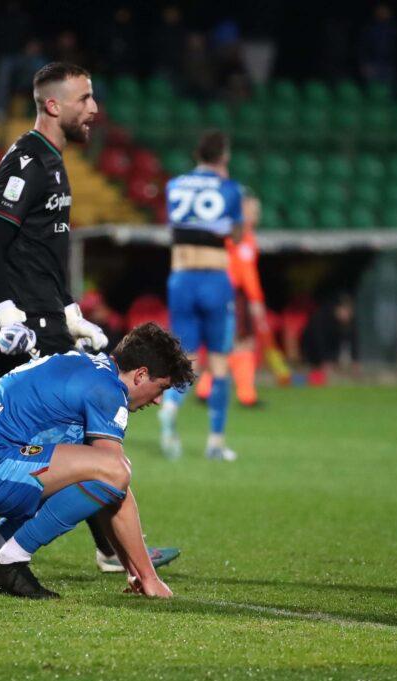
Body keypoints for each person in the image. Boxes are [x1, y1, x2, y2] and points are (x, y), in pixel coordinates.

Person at [0, 62, 179, 575]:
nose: (95, 109)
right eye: (85, 98)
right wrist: (9, 314)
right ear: (53, 105)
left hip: (44, 319)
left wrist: (72, 312)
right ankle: (112, 553)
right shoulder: (25, 163)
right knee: (59, 435)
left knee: (65, 433)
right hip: (17, 329)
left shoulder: (54, 163)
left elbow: (43, 254)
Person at [0, 323, 194, 598]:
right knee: (114, 470)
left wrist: (135, 570)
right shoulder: (107, 391)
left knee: (100, 472)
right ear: (141, 375)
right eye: (161, 388)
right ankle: (9, 562)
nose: (158, 400)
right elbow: (114, 476)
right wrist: (148, 577)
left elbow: (107, 488)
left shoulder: (87, 365)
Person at [158, 130, 243, 462]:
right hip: (213, 279)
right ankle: (216, 442)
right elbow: (235, 233)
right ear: (223, 155)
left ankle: (170, 406)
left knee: (186, 358)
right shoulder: (230, 189)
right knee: (220, 363)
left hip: (180, 278)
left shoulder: (174, 185)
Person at [195, 191, 278, 407]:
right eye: (253, 209)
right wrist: (256, 301)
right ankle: (245, 395)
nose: (257, 213)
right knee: (241, 343)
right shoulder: (241, 237)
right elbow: (245, 273)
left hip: (221, 291)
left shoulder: (233, 234)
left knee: (230, 343)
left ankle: (207, 389)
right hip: (232, 294)